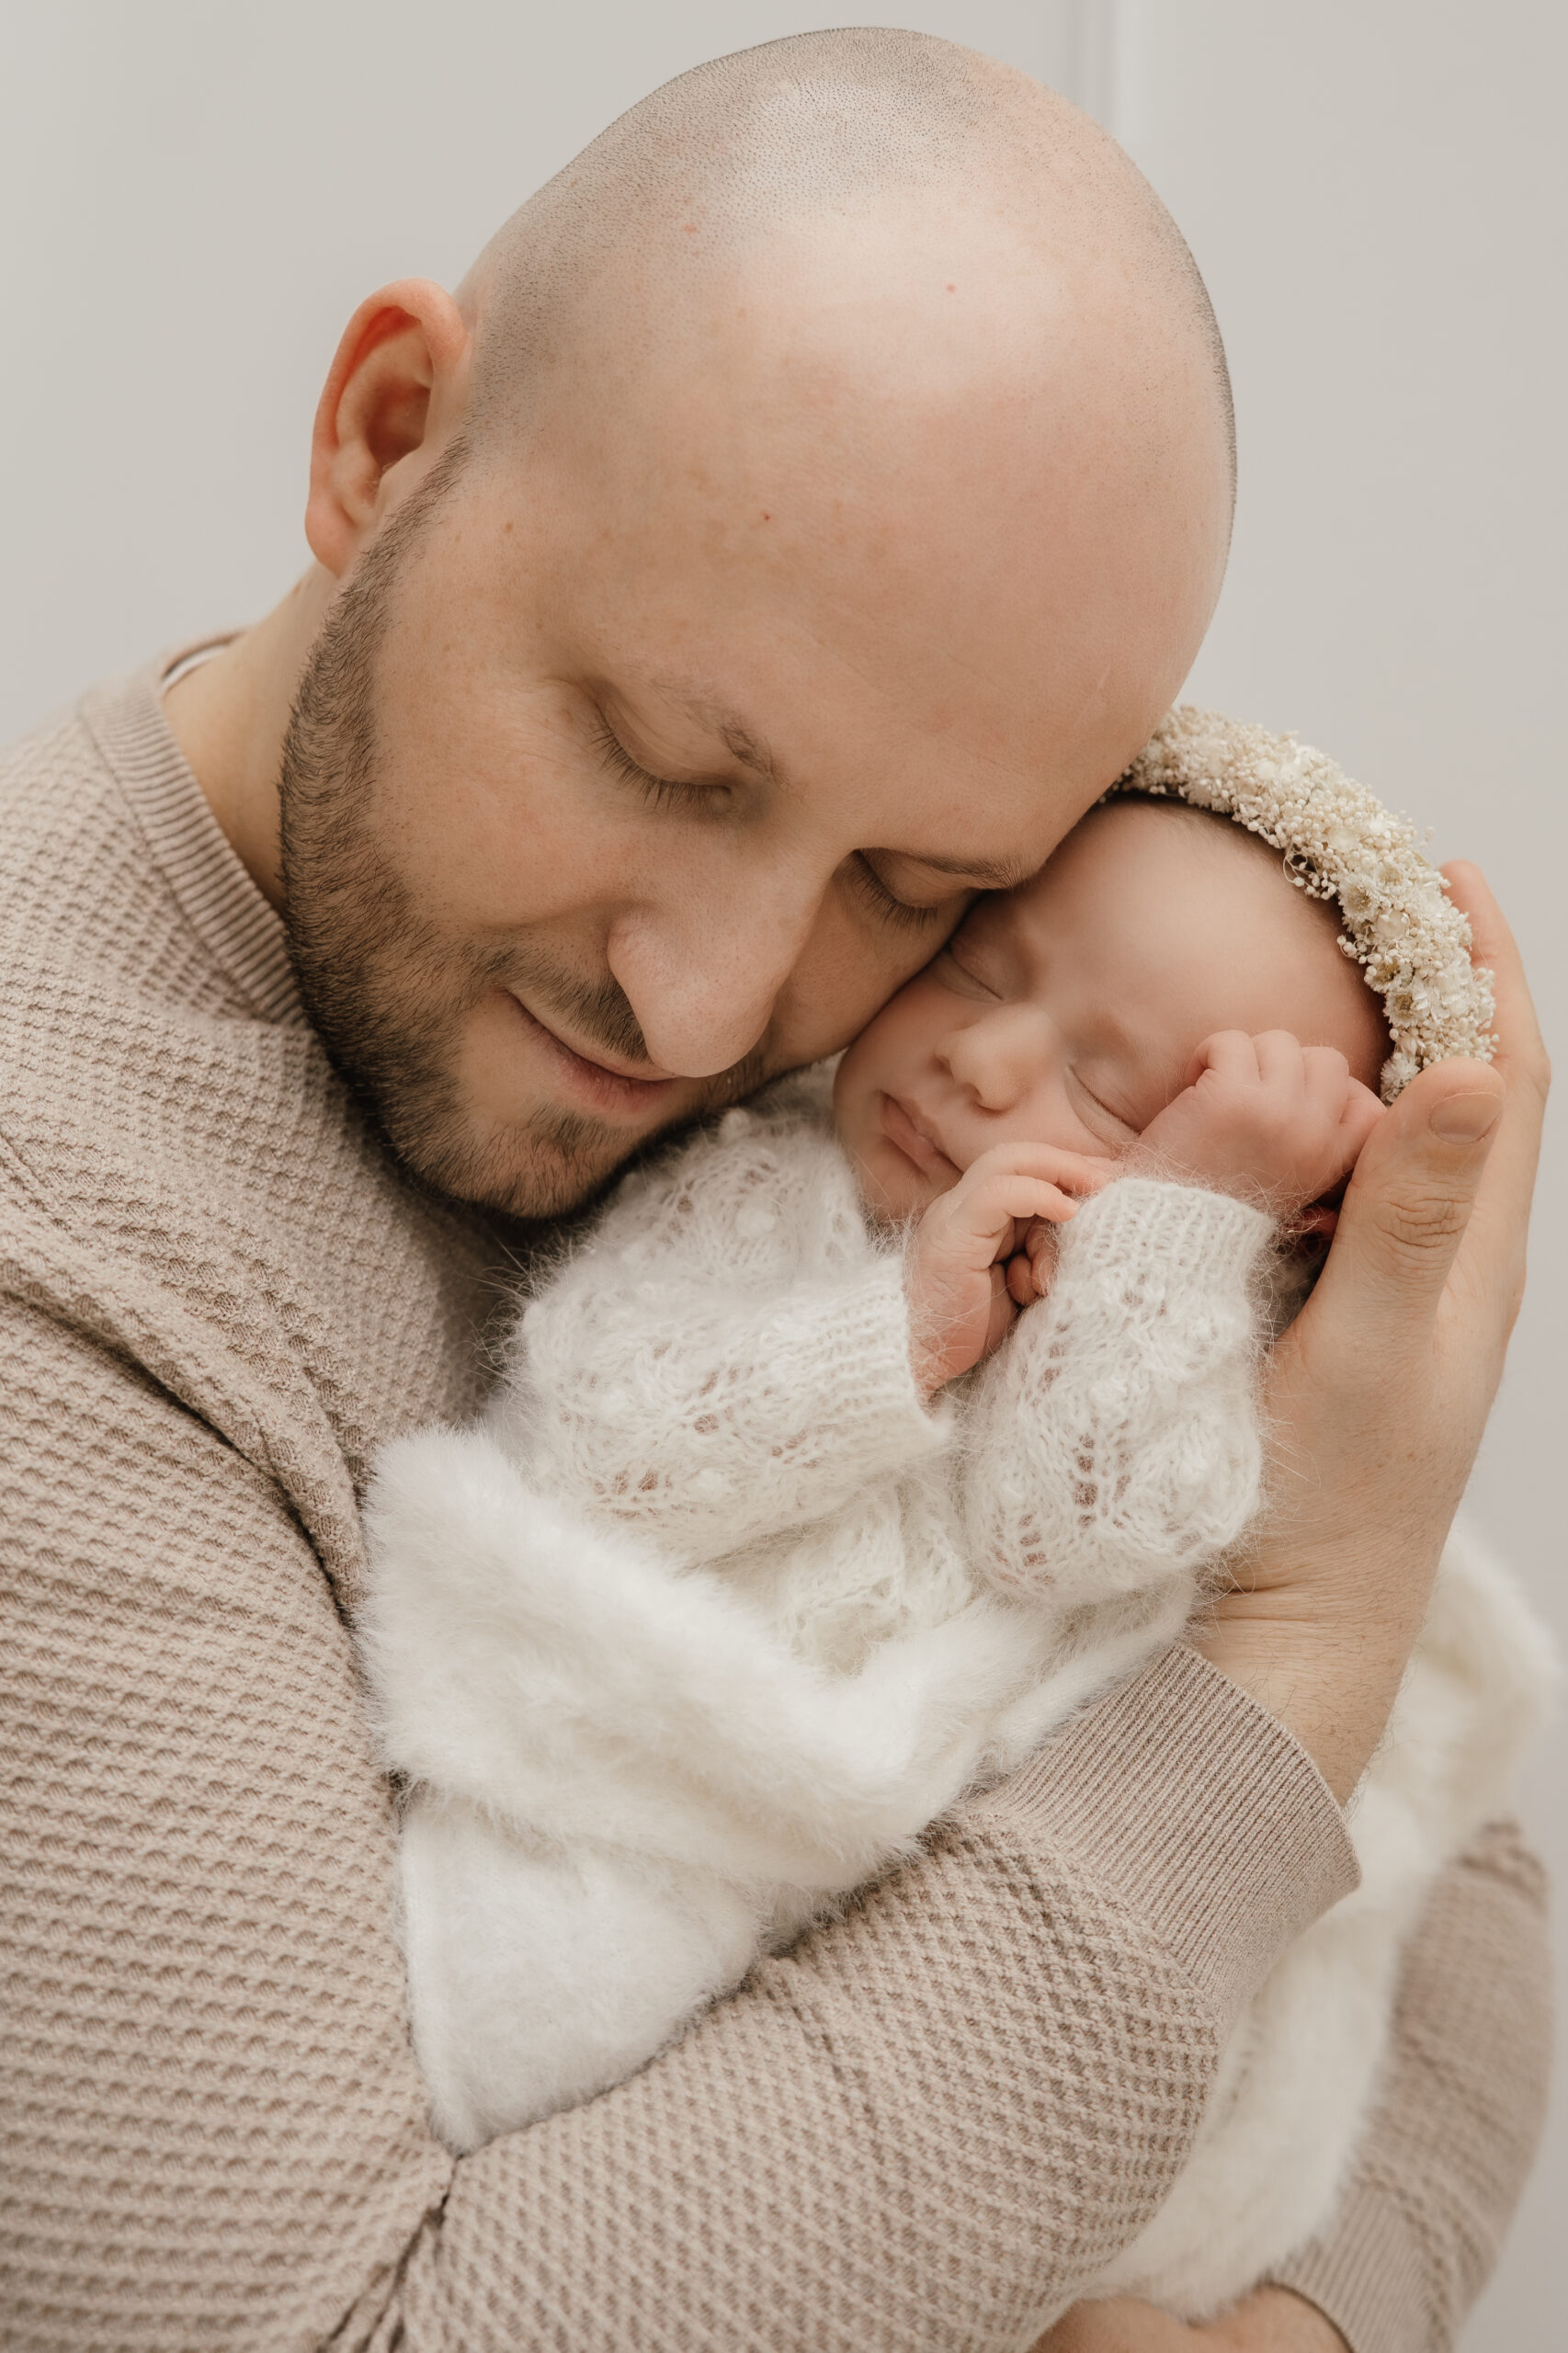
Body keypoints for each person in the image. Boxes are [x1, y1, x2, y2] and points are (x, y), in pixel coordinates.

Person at [0, 28, 1549, 2353]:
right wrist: (1305, 1627)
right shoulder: (58, 1241)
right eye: (661, 759)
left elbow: (1461, 1884)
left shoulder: (919, 1060)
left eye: (919, 883)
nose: (712, 1003)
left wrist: (1295, 2318)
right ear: (385, 440)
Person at [356, 730, 1549, 2332]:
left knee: (1233, 2126)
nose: (984, 1065)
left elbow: (1072, 1533)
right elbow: (603, 1437)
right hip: (666, 1772)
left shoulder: (1195, 1351)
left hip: (966, 1924)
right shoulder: (760, 1184)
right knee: (522, 2014)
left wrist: (1171, 1230)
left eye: (1117, 1091)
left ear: (1287, 1226)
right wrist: (893, 1336)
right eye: (980, 971)